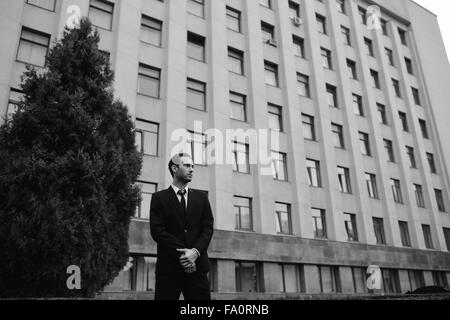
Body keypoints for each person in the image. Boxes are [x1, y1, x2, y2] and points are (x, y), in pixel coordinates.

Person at [150, 153, 214, 300]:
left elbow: (208, 228)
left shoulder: (201, 198)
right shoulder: (159, 198)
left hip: (197, 269)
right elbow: (158, 232)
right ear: (174, 168)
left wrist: (195, 252)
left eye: (193, 166)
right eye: (187, 165)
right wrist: (185, 255)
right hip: (169, 270)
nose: (191, 169)